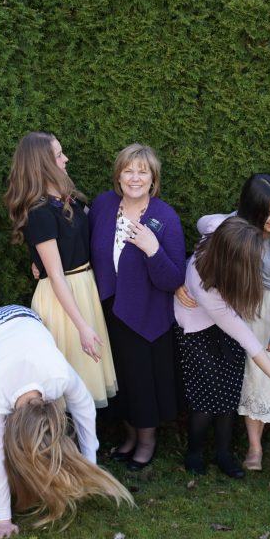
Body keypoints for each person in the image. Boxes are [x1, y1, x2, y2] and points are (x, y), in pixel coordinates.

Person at [182, 174, 270, 478]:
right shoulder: (211, 282)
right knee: (237, 382)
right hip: (236, 312)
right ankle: (232, 450)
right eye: (268, 212)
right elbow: (247, 339)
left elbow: (203, 222)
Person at [0, 305, 134, 539]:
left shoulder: (57, 374)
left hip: (25, 319)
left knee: (36, 439)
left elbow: (84, 408)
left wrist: (89, 465)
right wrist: (3, 519)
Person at [5, 132, 117, 408]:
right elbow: (55, 274)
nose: (65, 159)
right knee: (67, 384)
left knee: (86, 382)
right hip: (62, 300)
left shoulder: (70, 199)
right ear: (42, 163)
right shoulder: (40, 212)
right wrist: (82, 326)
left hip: (84, 288)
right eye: (58, 155)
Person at [89, 144, 184, 470]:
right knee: (121, 382)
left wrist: (153, 249)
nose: (134, 178)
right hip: (109, 311)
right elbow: (81, 244)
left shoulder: (164, 217)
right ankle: (128, 437)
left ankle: (146, 442)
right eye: (128, 170)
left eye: (142, 172)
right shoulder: (103, 206)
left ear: (153, 178)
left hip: (146, 316)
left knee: (142, 384)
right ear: (118, 176)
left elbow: (173, 279)